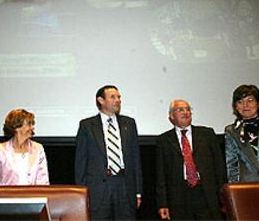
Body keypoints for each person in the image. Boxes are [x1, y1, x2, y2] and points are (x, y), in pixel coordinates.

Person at [75, 85, 143, 220]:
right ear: (100, 100)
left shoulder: (129, 123)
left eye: (119, 97)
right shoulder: (87, 125)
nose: (117, 100)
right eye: (113, 97)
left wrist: (138, 192)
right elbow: (81, 163)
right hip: (98, 189)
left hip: (125, 187)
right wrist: (82, 194)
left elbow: (136, 159)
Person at [156, 99, 226, 220]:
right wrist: (163, 203)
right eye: (180, 110)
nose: (186, 112)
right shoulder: (164, 140)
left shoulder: (207, 134)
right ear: (171, 116)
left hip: (205, 193)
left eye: (188, 109)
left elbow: (219, 167)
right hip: (179, 196)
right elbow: (161, 175)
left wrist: (223, 198)